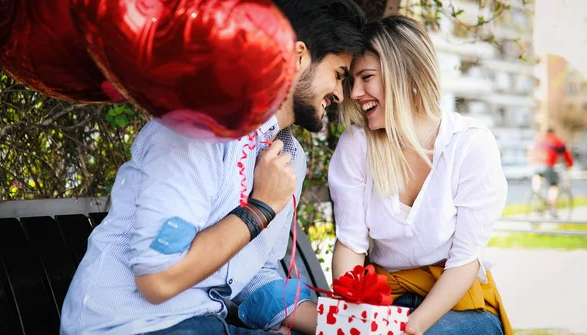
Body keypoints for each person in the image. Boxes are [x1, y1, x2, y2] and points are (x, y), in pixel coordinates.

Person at [60, 1, 365, 334]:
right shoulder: (199, 129)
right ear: (298, 57)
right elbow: (157, 279)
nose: (339, 94)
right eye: (338, 75)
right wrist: (261, 207)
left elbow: (256, 270)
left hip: (204, 323)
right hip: (130, 325)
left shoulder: (290, 159)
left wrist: (341, 327)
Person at [329, 15, 512, 335]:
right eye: (351, 82)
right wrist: (353, 315)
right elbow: (351, 244)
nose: (355, 93)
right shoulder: (357, 144)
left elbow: (465, 261)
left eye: (366, 77)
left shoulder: (470, 144)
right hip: (386, 300)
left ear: (406, 73)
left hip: (456, 305)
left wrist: (411, 327)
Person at [528, 128, 574, 217]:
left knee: (537, 182)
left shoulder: (538, 140)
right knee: (554, 186)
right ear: (553, 132)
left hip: (535, 165)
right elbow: (566, 155)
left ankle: (536, 199)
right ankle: (552, 208)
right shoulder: (556, 140)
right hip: (547, 165)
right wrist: (570, 165)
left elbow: (530, 152)